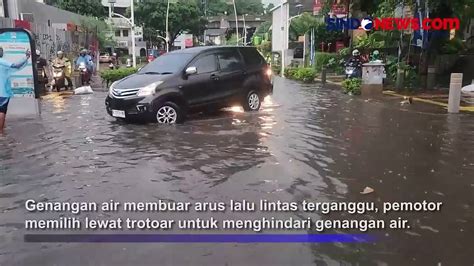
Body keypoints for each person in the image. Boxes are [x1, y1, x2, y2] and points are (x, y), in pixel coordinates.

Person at [0, 47, 31, 134]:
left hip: (3, 91)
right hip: (2, 93)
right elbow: (16, 65)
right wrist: (26, 57)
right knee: (2, 112)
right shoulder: (2, 62)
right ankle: (1, 132)